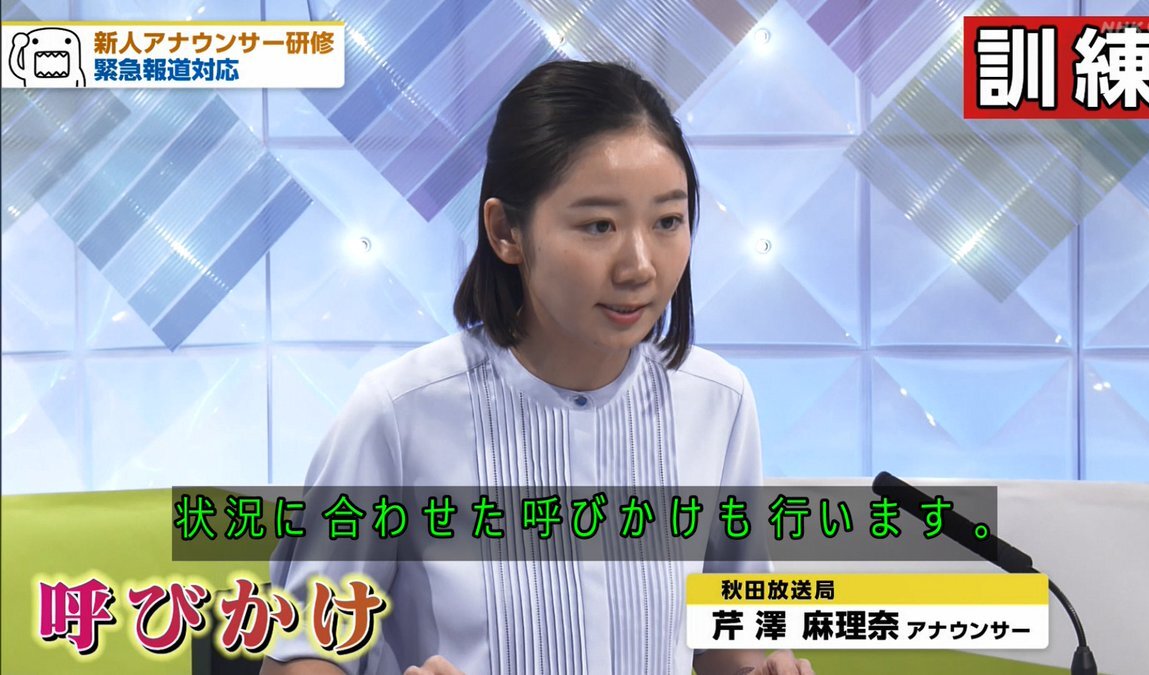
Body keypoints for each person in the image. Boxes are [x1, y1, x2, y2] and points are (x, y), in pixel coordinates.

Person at [263, 60, 815, 675]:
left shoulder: (720, 401)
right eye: (599, 225)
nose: (639, 265)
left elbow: (729, 645)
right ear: (506, 231)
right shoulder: (397, 413)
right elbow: (300, 655)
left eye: (667, 221)